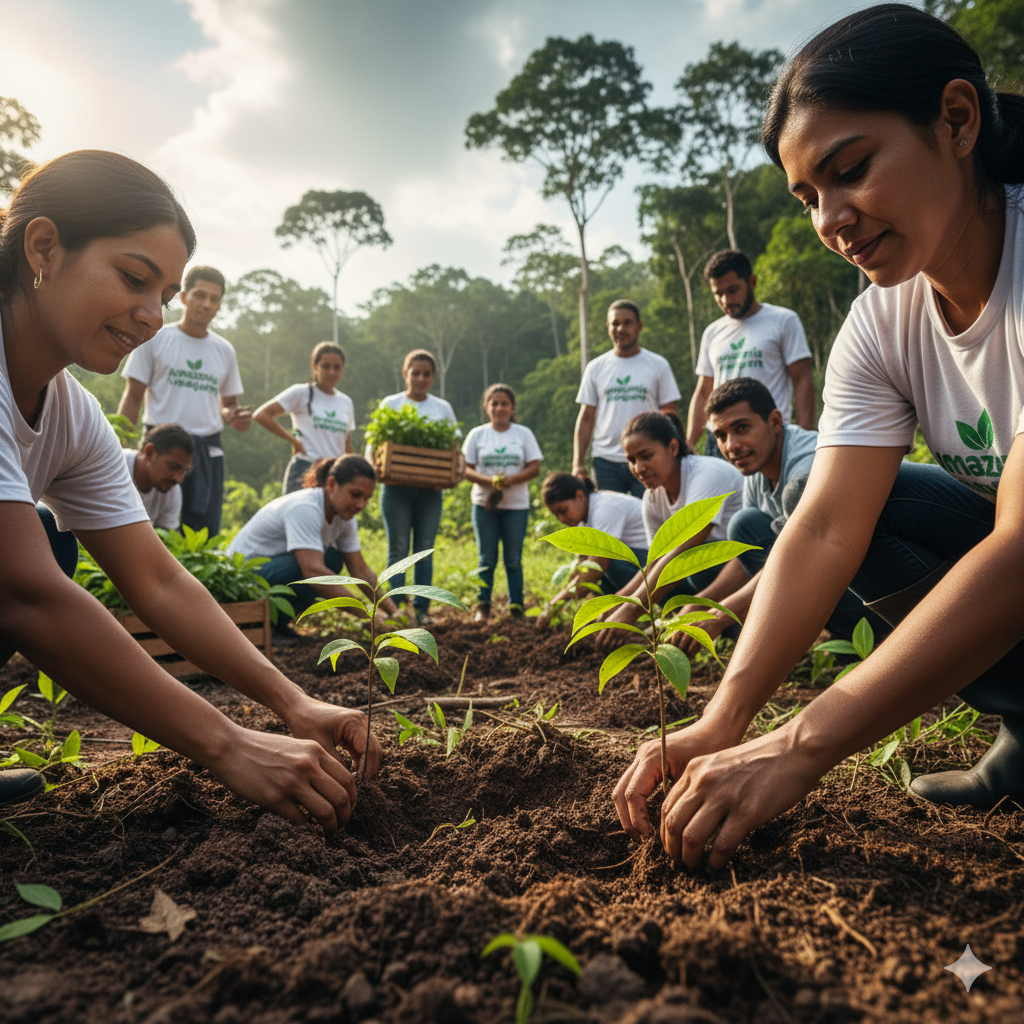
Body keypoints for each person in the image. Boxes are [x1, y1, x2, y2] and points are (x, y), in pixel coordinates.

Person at [613, 3, 1024, 871]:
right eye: (809, 199)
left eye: (853, 170)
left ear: (957, 120)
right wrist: (724, 719)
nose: (832, 219)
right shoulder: (883, 322)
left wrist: (799, 745)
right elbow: (829, 527)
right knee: (825, 502)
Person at [0, 150, 379, 826]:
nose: (151, 314)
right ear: (45, 247)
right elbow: (25, 593)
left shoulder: (71, 415)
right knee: (37, 562)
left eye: (164, 296)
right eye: (133, 278)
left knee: (49, 550)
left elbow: (159, 582)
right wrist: (228, 746)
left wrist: (293, 703)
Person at [672, 377, 885, 653]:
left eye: (742, 428)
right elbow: (746, 558)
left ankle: (875, 642)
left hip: (881, 589)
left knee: (771, 521)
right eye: (721, 435)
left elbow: (799, 558)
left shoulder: (806, 466)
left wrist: (721, 616)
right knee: (744, 526)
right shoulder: (756, 469)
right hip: (841, 576)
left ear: (774, 421)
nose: (732, 445)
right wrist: (700, 603)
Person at [593, 411, 743, 652]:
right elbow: (654, 562)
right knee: (659, 578)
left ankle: (734, 626)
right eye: (631, 460)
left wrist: (632, 609)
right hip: (711, 573)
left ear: (673, 448)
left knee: (687, 567)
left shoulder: (707, 475)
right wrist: (617, 602)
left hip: (743, 567)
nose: (638, 468)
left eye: (646, 456)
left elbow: (683, 551)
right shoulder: (652, 498)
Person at [118, 264, 249, 536]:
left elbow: (229, 405)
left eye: (214, 299)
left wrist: (233, 416)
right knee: (140, 526)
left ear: (220, 304)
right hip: (161, 447)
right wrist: (119, 444)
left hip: (206, 451)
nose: (206, 304)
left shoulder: (224, 350)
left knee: (201, 531)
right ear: (183, 296)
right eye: (200, 295)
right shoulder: (155, 338)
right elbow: (133, 396)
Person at [227, 455, 399, 636]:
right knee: (318, 565)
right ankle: (257, 624)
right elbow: (313, 572)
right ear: (331, 484)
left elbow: (360, 570)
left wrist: (393, 613)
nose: (361, 504)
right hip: (244, 579)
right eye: (355, 495)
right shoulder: (305, 508)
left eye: (366, 498)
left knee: (331, 559)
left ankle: (277, 625)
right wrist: (367, 615)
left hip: (272, 572)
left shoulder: (345, 517)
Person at [685, 250, 814, 457]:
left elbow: (802, 380)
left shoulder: (783, 321)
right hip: (719, 439)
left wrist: (805, 439)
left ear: (752, 282)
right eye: (718, 293)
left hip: (767, 436)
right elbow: (703, 391)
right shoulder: (712, 332)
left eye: (733, 290)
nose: (726, 300)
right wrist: (689, 444)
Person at [372, 349, 458, 625]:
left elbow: (454, 447)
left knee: (423, 549)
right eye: (415, 373)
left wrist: (456, 471)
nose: (420, 378)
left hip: (431, 490)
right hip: (396, 487)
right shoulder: (391, 403)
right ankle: (396, 609)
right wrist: (374, 467)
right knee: (397, 549)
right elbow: (374, 445)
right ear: (405, 373)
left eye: (426, 374)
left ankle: (422, 610)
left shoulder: (442, 408)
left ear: (433, 376)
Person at [574, 300, 682, 497]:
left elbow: (669, 413)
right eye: (615, 323)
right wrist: (577, 463)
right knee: (608, 523)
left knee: (653, 519)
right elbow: (586, 417)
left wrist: (677, 454)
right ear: (608, 327)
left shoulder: (658, 365)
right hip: (606, 461)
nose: (621, 328)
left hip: (648, 458)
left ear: (639, 326)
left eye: (627, 322)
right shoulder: (595, 367)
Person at [461, 384, 542, 621]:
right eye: (494, 403)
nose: (499, 408)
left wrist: (511, 480)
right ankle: (482, 606)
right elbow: (466, 470)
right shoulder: (477, 434)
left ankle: (516, 607)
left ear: (513, 407)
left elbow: (534, 466)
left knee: (513, 559)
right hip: (484, 505)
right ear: (486, 407)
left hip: (516, 506)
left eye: (504, 403)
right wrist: (491, 481)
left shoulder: (523, 434)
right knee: (486, 558)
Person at [537, 472, 648, 626]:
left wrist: (554, 605)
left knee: (603, 566)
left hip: (654, 563)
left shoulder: (604, 510)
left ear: (580, 496)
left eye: (563, 510)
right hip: (637, 564)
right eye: (556, 515)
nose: (561, 519)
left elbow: (595, 569)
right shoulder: (585, 519)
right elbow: (580, 568)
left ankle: (635, 611)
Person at [254, 341, 355, 494]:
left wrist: (356, 470)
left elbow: (346, 444)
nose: (331, 372)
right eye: (325, 366)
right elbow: (262, 415)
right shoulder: (301, 393)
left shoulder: (345, 402)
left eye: (337, 367)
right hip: (305, 469)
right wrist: (294, 441)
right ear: (314, 367)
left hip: (336, 474)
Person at [124, 422, 194, 530]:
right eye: (173, 467)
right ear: (150, 453)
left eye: (184, 471)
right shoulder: (116, 468)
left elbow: (167, 538)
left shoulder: (172, 491)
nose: (179, 479)